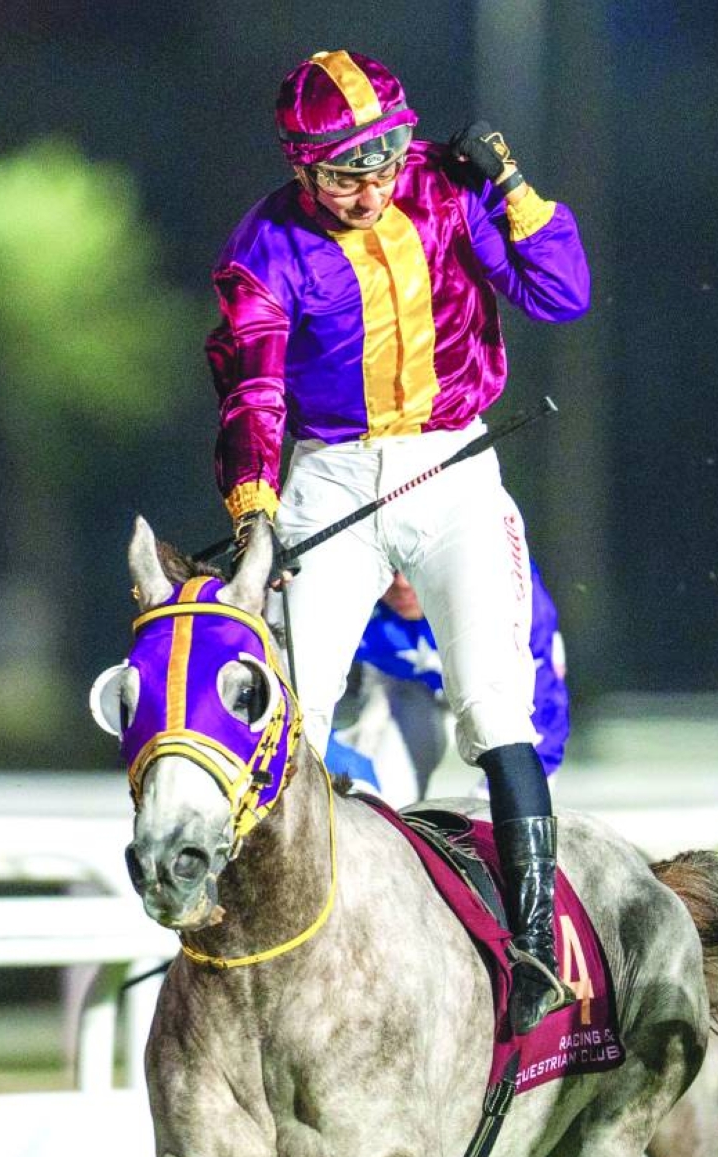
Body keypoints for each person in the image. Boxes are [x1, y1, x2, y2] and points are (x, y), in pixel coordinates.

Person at [206, 48, 590, 1034]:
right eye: (344, 170)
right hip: (331, 473)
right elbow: (252, 390)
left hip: (454, 463)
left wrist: (507, 185)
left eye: (384, 156)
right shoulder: (263, 248)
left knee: (492, 706)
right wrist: (252, 508)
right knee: (291, 705)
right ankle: (242, 922)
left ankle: (538, 949)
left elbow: (561, 293)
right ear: (300, 167)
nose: (371, 184)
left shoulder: (446, 193)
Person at [326, 559, 569, 804]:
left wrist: (488, 804)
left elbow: (545, 718)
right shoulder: (344, 596)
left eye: (412, 563)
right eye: (391, 564)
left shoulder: (509, 598)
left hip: (495, 687)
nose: (400, 583)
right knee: (386, 805)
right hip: (408, 684)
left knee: (505, 810)